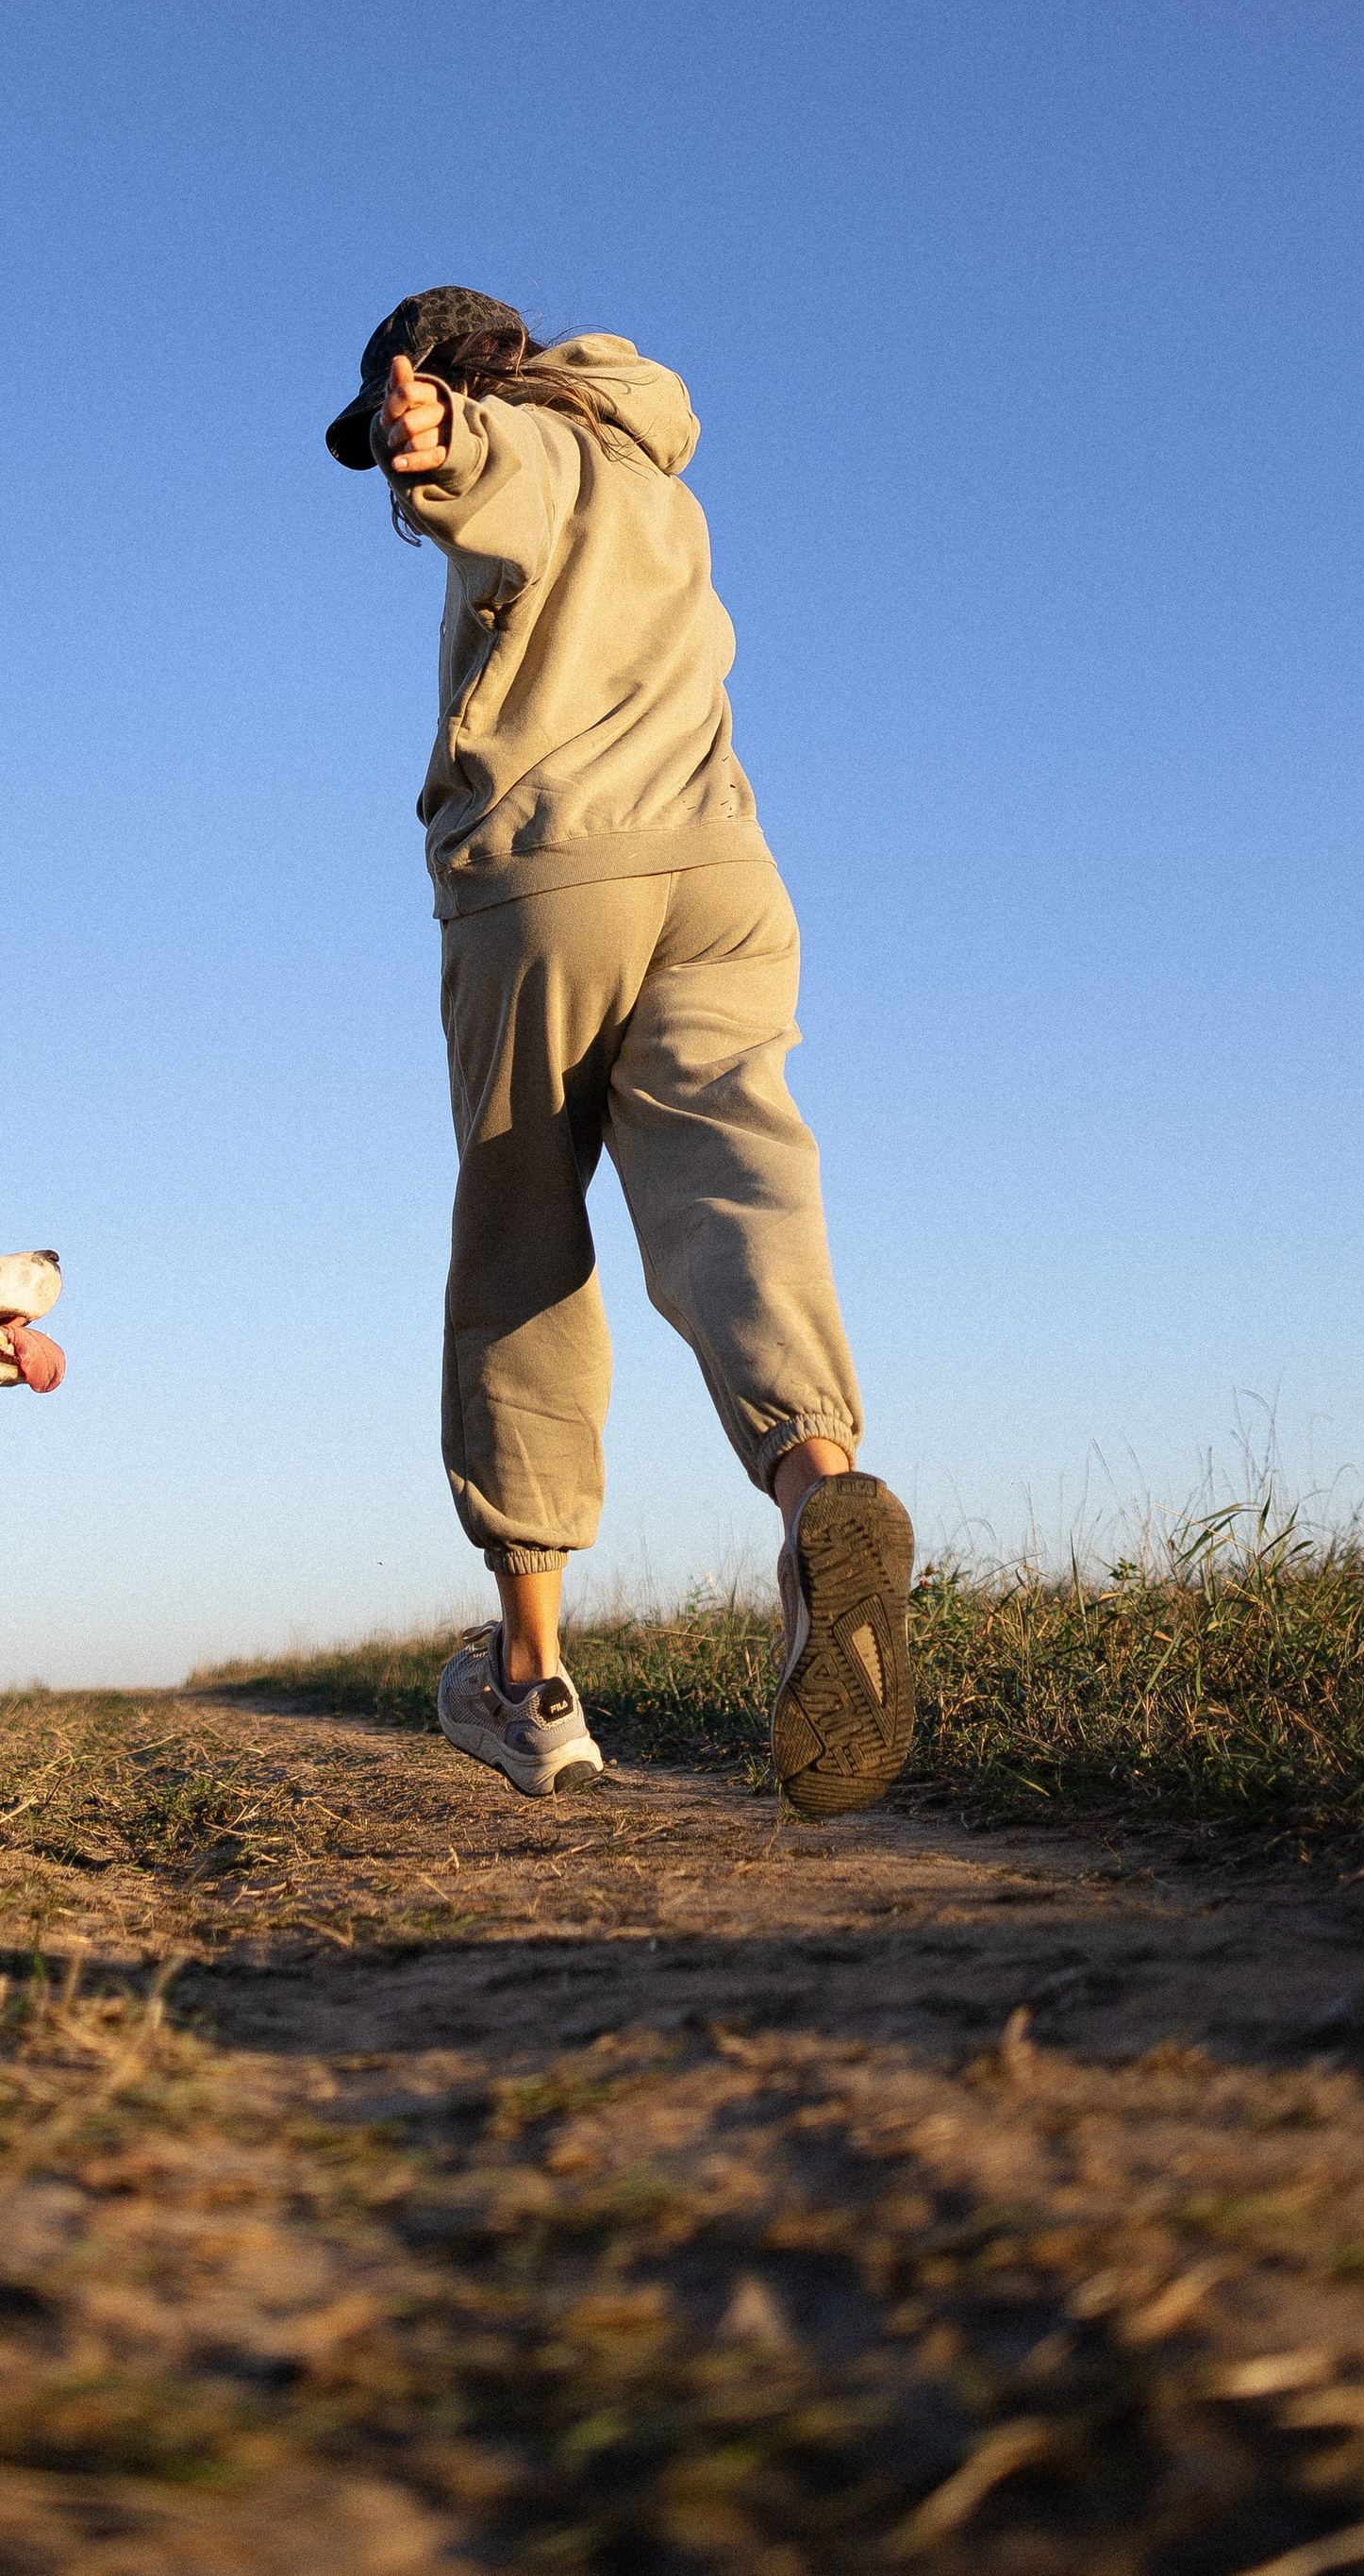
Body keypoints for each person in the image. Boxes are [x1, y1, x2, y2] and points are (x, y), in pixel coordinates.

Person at [325, 288, 914, 1817]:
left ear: (457, 378)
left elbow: (493, 469)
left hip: (548, 881)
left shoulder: (522, 439)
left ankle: (529, 1681)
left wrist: (438, 433)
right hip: (724, 873)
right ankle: (820, 1494)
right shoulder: (657, 468)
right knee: (739, 1186)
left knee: (522, 1236)